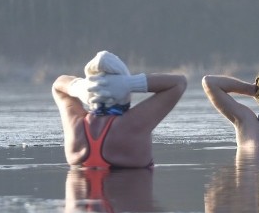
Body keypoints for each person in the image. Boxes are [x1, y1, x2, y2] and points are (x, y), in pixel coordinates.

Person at [52, 50, 187, 168]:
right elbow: (178, 83)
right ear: (124, 89)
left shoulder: (76, 126)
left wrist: (78, 86)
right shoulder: (133, 124)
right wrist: (132, 83)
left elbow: (58, 86)